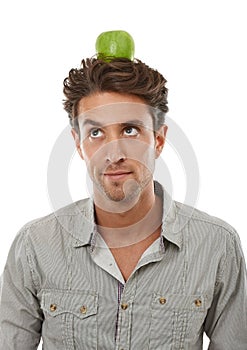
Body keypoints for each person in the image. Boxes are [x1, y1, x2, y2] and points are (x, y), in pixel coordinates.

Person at [0, 56, 246, 350]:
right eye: (96, 132)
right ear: (79, 144)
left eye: (129, 130)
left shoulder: (217, 244)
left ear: (158, 139)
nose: (113, 153)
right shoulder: (34, 246)